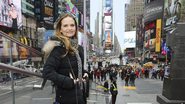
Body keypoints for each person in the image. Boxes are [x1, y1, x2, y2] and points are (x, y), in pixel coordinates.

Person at [42, 13, 88, 104]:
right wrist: (68, 81)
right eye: (65, 26)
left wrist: (85, 74)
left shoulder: (79, 49)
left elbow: (79, 69)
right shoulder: (58, 49)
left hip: (80, 96)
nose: (69, 28)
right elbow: (47, 71)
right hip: (65, 98)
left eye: (72, 25)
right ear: (60, 29)